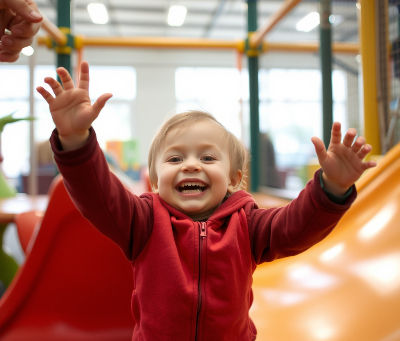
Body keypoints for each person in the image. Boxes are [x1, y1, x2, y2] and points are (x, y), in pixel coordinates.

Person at [37, 61, 376, 341]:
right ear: (155, 181)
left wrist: (331, 185)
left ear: (233, 178)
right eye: (174, 159)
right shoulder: (143, 222)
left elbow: (296, 226)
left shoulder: (248, 223)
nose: (191, 164)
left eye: (208, 158)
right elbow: (98, 196)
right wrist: (75, 139)